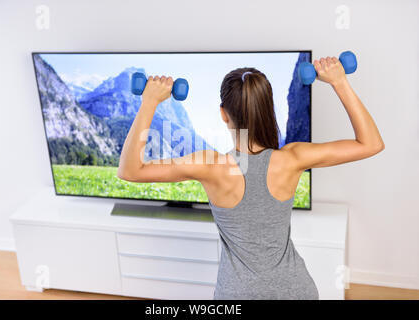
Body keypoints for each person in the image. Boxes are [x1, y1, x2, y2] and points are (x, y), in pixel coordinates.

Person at [117, 56, 384, 299]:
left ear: (224, 114)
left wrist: (149, 102)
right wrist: (339, 81)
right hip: (297, 291)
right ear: (268, 108)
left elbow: (129, 171)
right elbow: (370, 143)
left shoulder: (211, 166)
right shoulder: (293, 158)